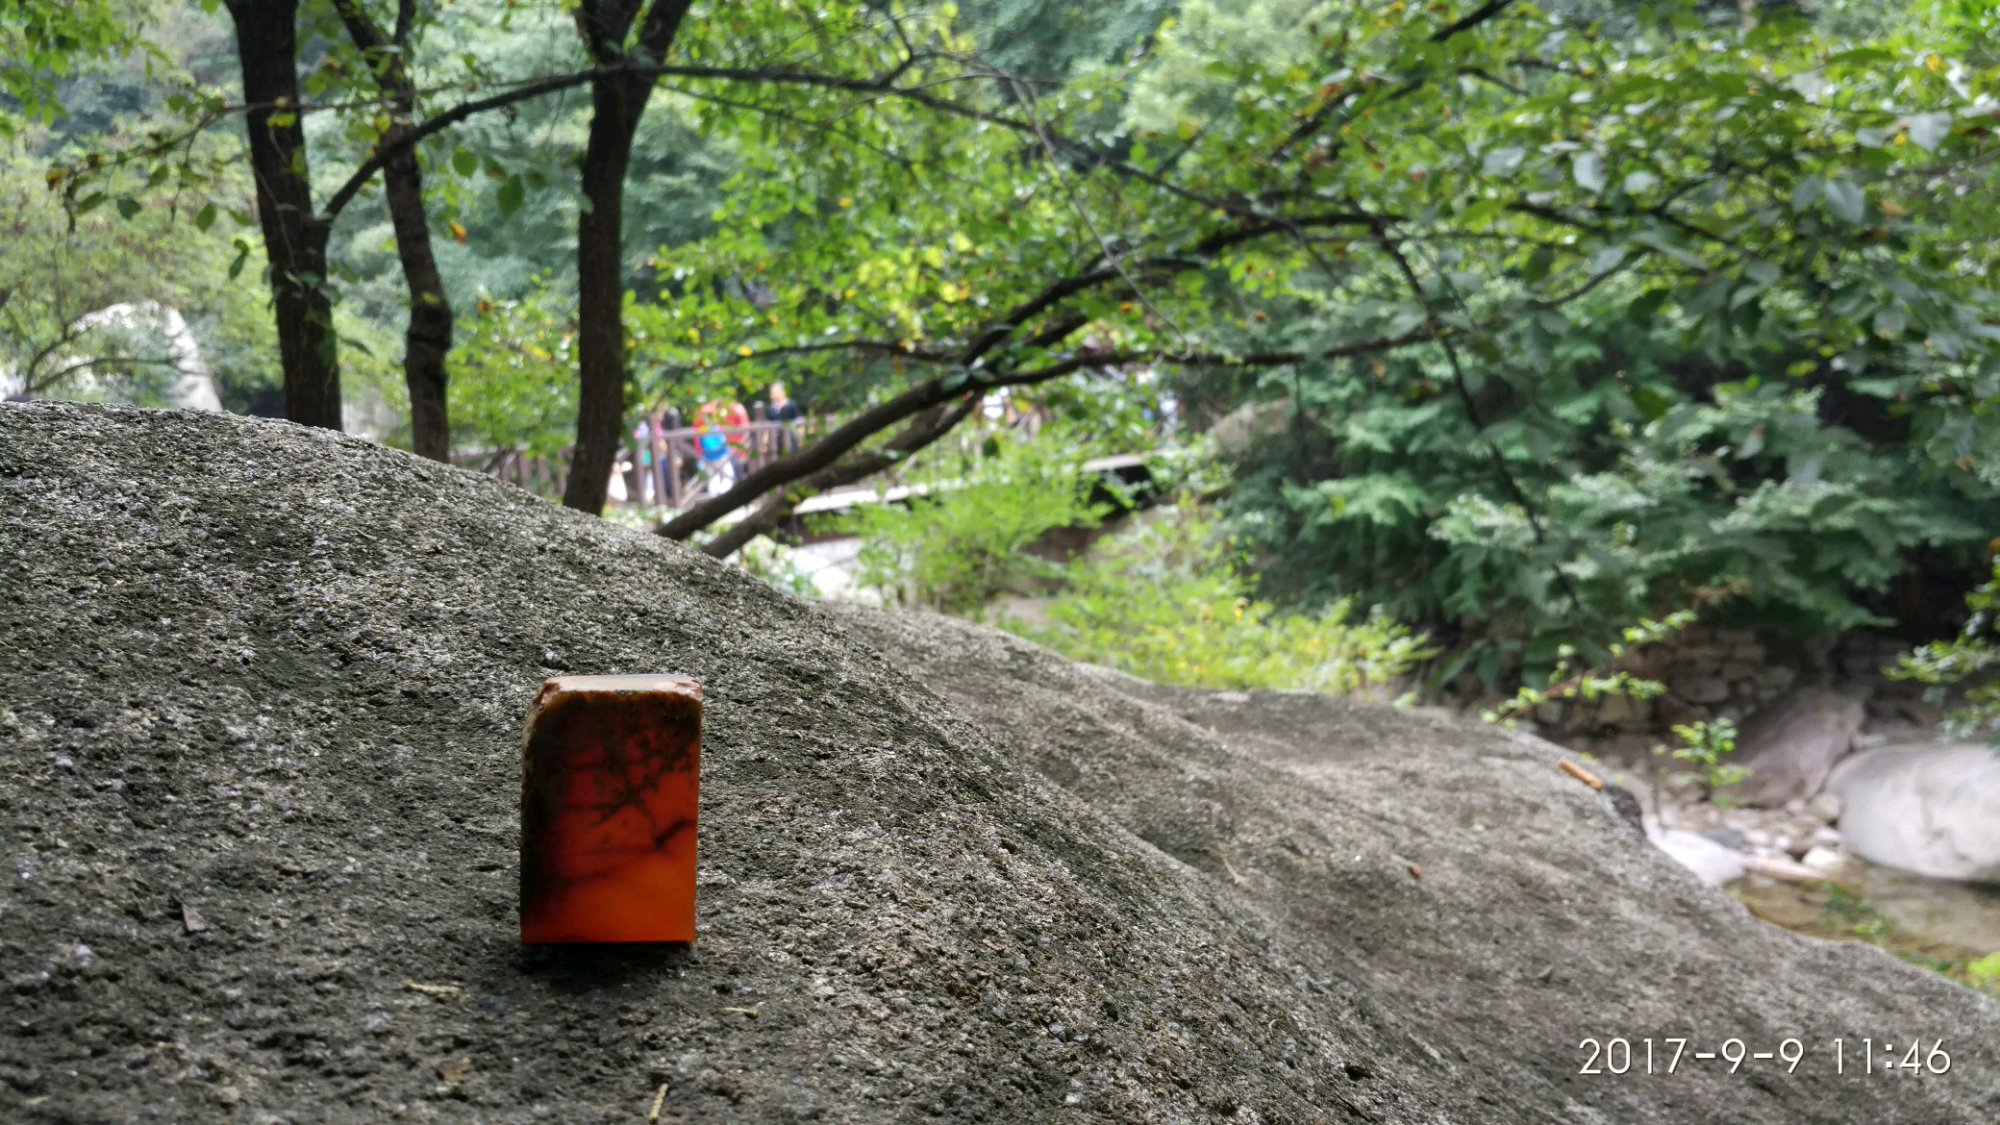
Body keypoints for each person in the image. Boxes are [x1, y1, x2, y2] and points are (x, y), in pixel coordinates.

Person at [767, 381, 803, 452]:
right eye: (772, 393)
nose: (773, 395)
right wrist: (765, 443)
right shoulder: (771, 409)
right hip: (777, 443)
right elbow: (768, 427)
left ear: (782, 392)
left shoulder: (792, 405)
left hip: (791, 441)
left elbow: (799, 424)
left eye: (775, 392)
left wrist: (800, 439)